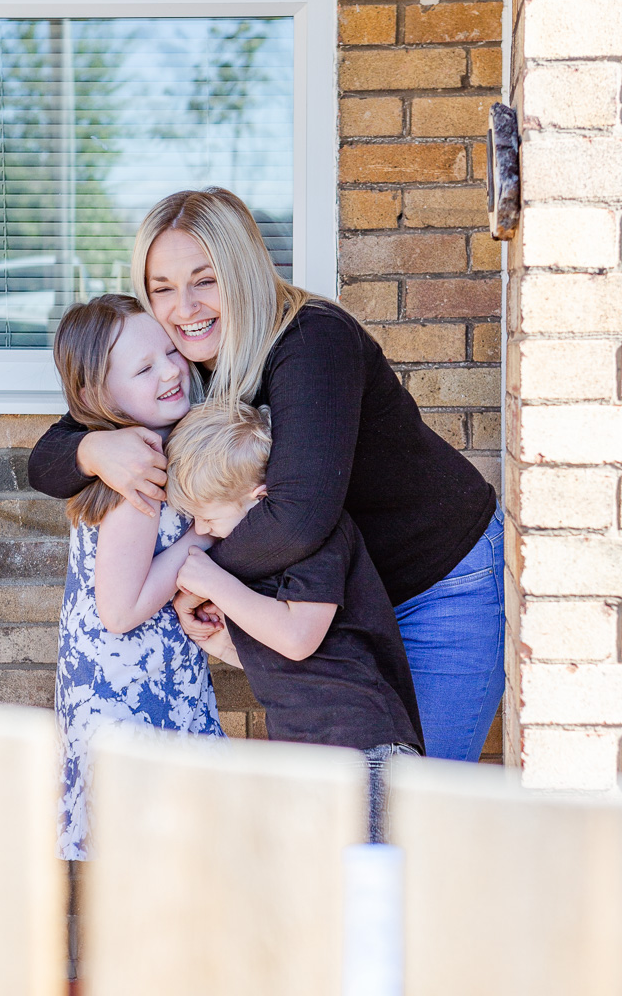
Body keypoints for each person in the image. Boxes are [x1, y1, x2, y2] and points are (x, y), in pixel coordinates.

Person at [29, 188, 505, 763]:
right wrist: (95, 451)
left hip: (435, 584)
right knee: (363, 815)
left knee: (420, 805)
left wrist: (191, 578)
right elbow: (48, 455)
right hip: (339, 601)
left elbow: (296, 519)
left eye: (205, 280)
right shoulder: (178, 364)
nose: (184, 308)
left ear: (244, 270)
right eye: (162, 289)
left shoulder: (312, 341)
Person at [165, 401, 424, 842]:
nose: (203, 530)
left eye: (209, 516)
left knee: (370, 892)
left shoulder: (317, 535)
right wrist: (223, 645)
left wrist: (213, 581)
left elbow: (299, 638)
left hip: (364, 750)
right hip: (307, 757)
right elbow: (290, 663)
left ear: (259, 497)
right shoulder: (258, 559)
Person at [51, 295, 224, 861]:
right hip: (130, 694)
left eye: (171, 352)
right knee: (151, 857)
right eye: (144, 368)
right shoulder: (139, 472)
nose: (172, 370)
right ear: (100, 398)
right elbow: (119, 611)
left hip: (141, 681)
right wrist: (198, 542)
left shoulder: (150, 448)